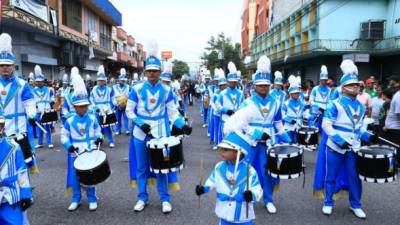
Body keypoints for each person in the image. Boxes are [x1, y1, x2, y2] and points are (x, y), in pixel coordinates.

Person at [125, 43, 192, 214]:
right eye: (150, 71)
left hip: (161, 133)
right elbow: (129, 111)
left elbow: (173, 113)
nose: (152, 74)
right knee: (141, 166)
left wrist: (182, 125)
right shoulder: (136, 89)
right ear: (145, 72)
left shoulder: (167, 90)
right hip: (141, 133)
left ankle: (165, 199)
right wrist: (140, 123)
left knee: (162, 167)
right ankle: (142, 197)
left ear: (160, 72)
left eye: (156, 70)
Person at [224, 55, 291, 214]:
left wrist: (287, 139)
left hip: (268, 143)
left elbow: (278, 124)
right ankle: (246, 197)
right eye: (260, 85)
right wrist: (256, 132)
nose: (263, 88)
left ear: (270, 85)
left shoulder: (275, 102)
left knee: (267, 170)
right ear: (254, 86)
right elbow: (240, 123)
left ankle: (268, 199)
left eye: (266, 85)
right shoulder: (247, 102)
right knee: (246, 170)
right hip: (250, 142)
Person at [313, 59, 379, 219]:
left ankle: (355, 204)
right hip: (335, 147)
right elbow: (326, 125)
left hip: (354, 147)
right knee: (331, 175)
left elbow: (360, 127)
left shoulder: (362, 106)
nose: (356, 87)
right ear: (343, 87)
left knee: (355, 177)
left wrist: (369, 136)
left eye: (357, 85)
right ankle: (328, 202)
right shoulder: (334, 104)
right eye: (352, 85)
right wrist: (338, 139)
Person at [195, 132, 263, 225]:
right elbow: (212, 181)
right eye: (222, 149)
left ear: (237, 152)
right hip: (224, 214)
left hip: (243, 216)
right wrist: (203, 189)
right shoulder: (219, 167)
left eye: (225, 150)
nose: (221, 152)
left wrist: (252, 195)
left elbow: (257, 189)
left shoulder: (250, 171)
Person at [61, 67, 103, 212]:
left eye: (85, 106)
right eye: (79, 107)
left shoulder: (92, 118)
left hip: (89, 149)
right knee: (75, 176)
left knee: (90, 176)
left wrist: (99, 138)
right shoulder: (69, 120)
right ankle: (75, 199)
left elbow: (98, 130)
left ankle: (92, 198)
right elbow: (64, 135)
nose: (82, 109)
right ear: (74, 106)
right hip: (75, 152)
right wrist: (68, 145)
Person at [0, 112, 33, 225]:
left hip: (10, 198)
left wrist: (26, 195)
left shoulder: (14, 147)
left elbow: (22, 173)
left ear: (2, 126)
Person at [216, 62, 244, 144]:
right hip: (225, 119)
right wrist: (226, 110)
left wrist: (238, 112)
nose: (233, 83)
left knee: (236, 140)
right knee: (225, 140)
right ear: (228, 82)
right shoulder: (222, 93)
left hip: (237, 119)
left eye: (235, 81)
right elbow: (217, 104)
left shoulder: (240, 93)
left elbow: (243, 105)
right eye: (231, 81)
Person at [90, 65, 115, 148]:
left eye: (102, 80)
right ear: (97, 81)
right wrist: (94, 107)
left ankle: (111, 141)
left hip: (106, 108)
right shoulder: (93, 89)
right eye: (99, 80)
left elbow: (112, 99)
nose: (100, 82)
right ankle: (98, 141)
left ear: (105, 81)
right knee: (96, 126)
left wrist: (112, 107)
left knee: (107, 125)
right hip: (96, 109)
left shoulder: (109, 89)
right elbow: (91, 99)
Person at [32, 65, 55, 149]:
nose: (39, 83)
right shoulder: (33, 90)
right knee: (39, 127)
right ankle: (40, 143)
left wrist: (52, 103)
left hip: (46, 110)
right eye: (38, 81)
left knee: (47, 127)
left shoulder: (49, 89)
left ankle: (49, 142)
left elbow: (52, 97)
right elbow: (31, 101)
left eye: (41, 81)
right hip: (37, 111)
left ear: (43, 81)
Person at [282, 75, 306, 143]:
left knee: (298, 144)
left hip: (299, 126)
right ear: (290, 94)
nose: (296, 95)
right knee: (289, 144)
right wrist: (290, 120)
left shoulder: (302, 103)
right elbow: (283, 115)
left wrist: (311, 117)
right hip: (289, 127)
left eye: (297, 93)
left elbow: (304, 113)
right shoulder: (286, 104)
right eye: (294, 93)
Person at [383, 83, 400, 164]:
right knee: (394, 151)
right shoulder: (398, 96)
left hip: (394, 127)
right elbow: (399, 114)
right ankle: (392, 168)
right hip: (394, 129)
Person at [113, 68, 130, 135]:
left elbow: (130, 96)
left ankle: (127, 130)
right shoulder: (114, 87)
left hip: (125, 105)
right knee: (118, 119)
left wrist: (126, 102)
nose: (122, 81)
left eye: (123, 80)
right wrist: (116, 103)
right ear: (119, 80)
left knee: (126, 118)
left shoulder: (128, 87)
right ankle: (118, 130)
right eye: (121, 80)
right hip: (117, 105)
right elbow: (112, 96)